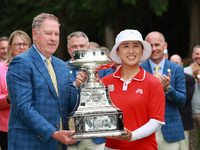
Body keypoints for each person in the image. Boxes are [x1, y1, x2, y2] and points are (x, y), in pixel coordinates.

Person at [6, 13, 87, 150]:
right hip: (28, 144)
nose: (53, 39)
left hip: (58, 145)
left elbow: (69, 105)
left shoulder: (62, 65)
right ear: (35, 34)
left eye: (57, 34)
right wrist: (54, 133)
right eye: (48, 33)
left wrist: (82, 85)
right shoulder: (21, 62)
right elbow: (23, 108)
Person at [101, 29, 165, 150]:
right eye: (125, 46)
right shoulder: (104, 82)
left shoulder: (153, 83)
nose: (131, 51)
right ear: (118, 52)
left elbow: (156, 122)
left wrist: (131, 136)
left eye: (136, 46)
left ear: (142, 51)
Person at [140, 31, 186, 150]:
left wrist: (168, 89)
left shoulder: (177, 69)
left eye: (157, 45)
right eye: (150, 45)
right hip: (144, 129)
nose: (154, 49)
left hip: (170, 130)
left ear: (165, 46)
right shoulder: (139, 70)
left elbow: (182, 101)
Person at [66, 31, 106, 150]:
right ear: (69, 49)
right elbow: (62, 103)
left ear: (88, 48)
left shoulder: (102, 68)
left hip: (98, 134)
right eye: (74, 47)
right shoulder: (60, 69)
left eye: (82, 46)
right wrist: (76, 85)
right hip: (72, 135)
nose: (78, 50)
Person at [0, 30, 31, 150]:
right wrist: (7, 98)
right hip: (7, 128)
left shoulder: (38, 68)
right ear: (10, 48)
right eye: (17, 44)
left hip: (33, 127)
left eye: (25, 44)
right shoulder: (1, 69)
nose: (22, 47)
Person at [170, 54, 195, 150]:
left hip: (183, 120)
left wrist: (169, 90)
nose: (174, 65)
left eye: (176, 63)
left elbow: (187, 97)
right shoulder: (164, 79)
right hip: (168, 121)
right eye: (172, 63)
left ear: (181, 64)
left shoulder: (189, 79)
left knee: (183, 147)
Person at [184, 45, 200, 150]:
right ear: (192, 55)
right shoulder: (184, 71)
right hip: (189, 113)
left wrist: (197, 75)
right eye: (197, 54)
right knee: (192, 144)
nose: (199, 56)